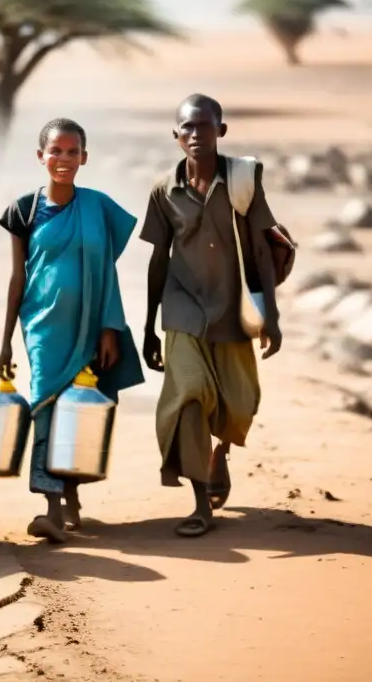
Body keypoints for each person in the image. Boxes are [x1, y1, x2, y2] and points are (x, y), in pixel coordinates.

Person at [140, 93, 284, 538]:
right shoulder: (164, 191)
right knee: (188, 396)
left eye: (204, 126)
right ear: (176, 136)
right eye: (187, 127)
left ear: (220, 131)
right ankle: (201, 503)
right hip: (182, 309)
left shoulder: (244, 179)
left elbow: (261, 246)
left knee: (240, 403)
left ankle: (219, 450)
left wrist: (272, 316)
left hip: (233, 308)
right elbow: (158, 258)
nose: (196, 135)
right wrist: (149, 324)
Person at [0, 117, 144, 544]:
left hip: (91, 327)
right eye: (55, 151)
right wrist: (6, 338)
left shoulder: (99, 207)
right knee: (45, 405)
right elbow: (16, 278)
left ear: (84, 157)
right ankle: (51, 508)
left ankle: (72, 497)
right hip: (42, 328)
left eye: (72, 151)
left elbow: (107, 272)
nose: (63, 159)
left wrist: (109, 327)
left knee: (80, 411)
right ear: (40, 156)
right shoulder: (22, 210)